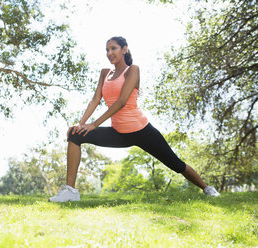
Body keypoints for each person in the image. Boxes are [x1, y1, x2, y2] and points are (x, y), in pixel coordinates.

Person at [49, 36, 220, 202]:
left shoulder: (132, 70)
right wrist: (81, 124)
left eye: (113, 48)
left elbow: (122, 101)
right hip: (119, 133)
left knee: (176, 164)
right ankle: (70, 191)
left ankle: (207, 188)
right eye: (107, 50)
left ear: (124, 49)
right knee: (74, 134)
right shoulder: (104, 73)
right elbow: (95, 99)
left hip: (141, 131)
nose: (109, 53)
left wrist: (94, 124)